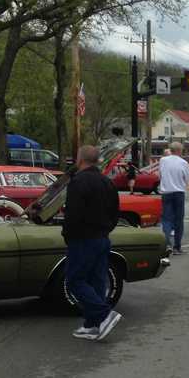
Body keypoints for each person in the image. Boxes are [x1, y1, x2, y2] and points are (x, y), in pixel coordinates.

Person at [62, 144, 122, 342]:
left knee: (75, 281)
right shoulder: (107, 182)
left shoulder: (78, 182)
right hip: (102, 238)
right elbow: (115, 212)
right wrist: (105, 229)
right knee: (96, 281)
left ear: (80, 159)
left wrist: (68, 235)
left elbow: (73, 214)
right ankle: (91, 325)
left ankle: (104, 315)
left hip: (82, 238)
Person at [158, 142, 189, 254]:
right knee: (179, 220)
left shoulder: (163, 161)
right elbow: (186, 179)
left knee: (166, 219)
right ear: (179, 150)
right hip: (178, 192)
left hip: (166, 192)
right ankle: (177, 246)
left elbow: (160, 175)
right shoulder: (183, 163)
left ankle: (167, 243)